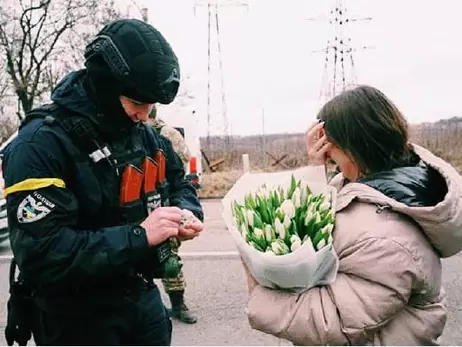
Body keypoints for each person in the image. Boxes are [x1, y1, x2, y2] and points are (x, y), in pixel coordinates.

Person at [1, 18, 204, 346]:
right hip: (75, 319)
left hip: (141, 302)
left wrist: (186, 211)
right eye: (137, 103)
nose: (145, 113)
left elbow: (181, 182)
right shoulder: (39, 145)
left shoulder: (145, 137)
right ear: (107, 88)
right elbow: (44, 253)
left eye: (151, 104)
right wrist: (140, 236)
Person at [241, 85, 462, 345]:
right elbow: (326, 212)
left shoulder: (387, 239)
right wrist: (316, 167)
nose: (328, 154)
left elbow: (331, 320)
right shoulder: (374, 187)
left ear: (353, 146)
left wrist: (257, 285)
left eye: (331, 146)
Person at [147, 105, 198, 324]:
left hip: (163, 199)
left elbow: (184, 157)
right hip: (143, 200)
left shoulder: (165, 133)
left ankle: (179, 305)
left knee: (169, 257)